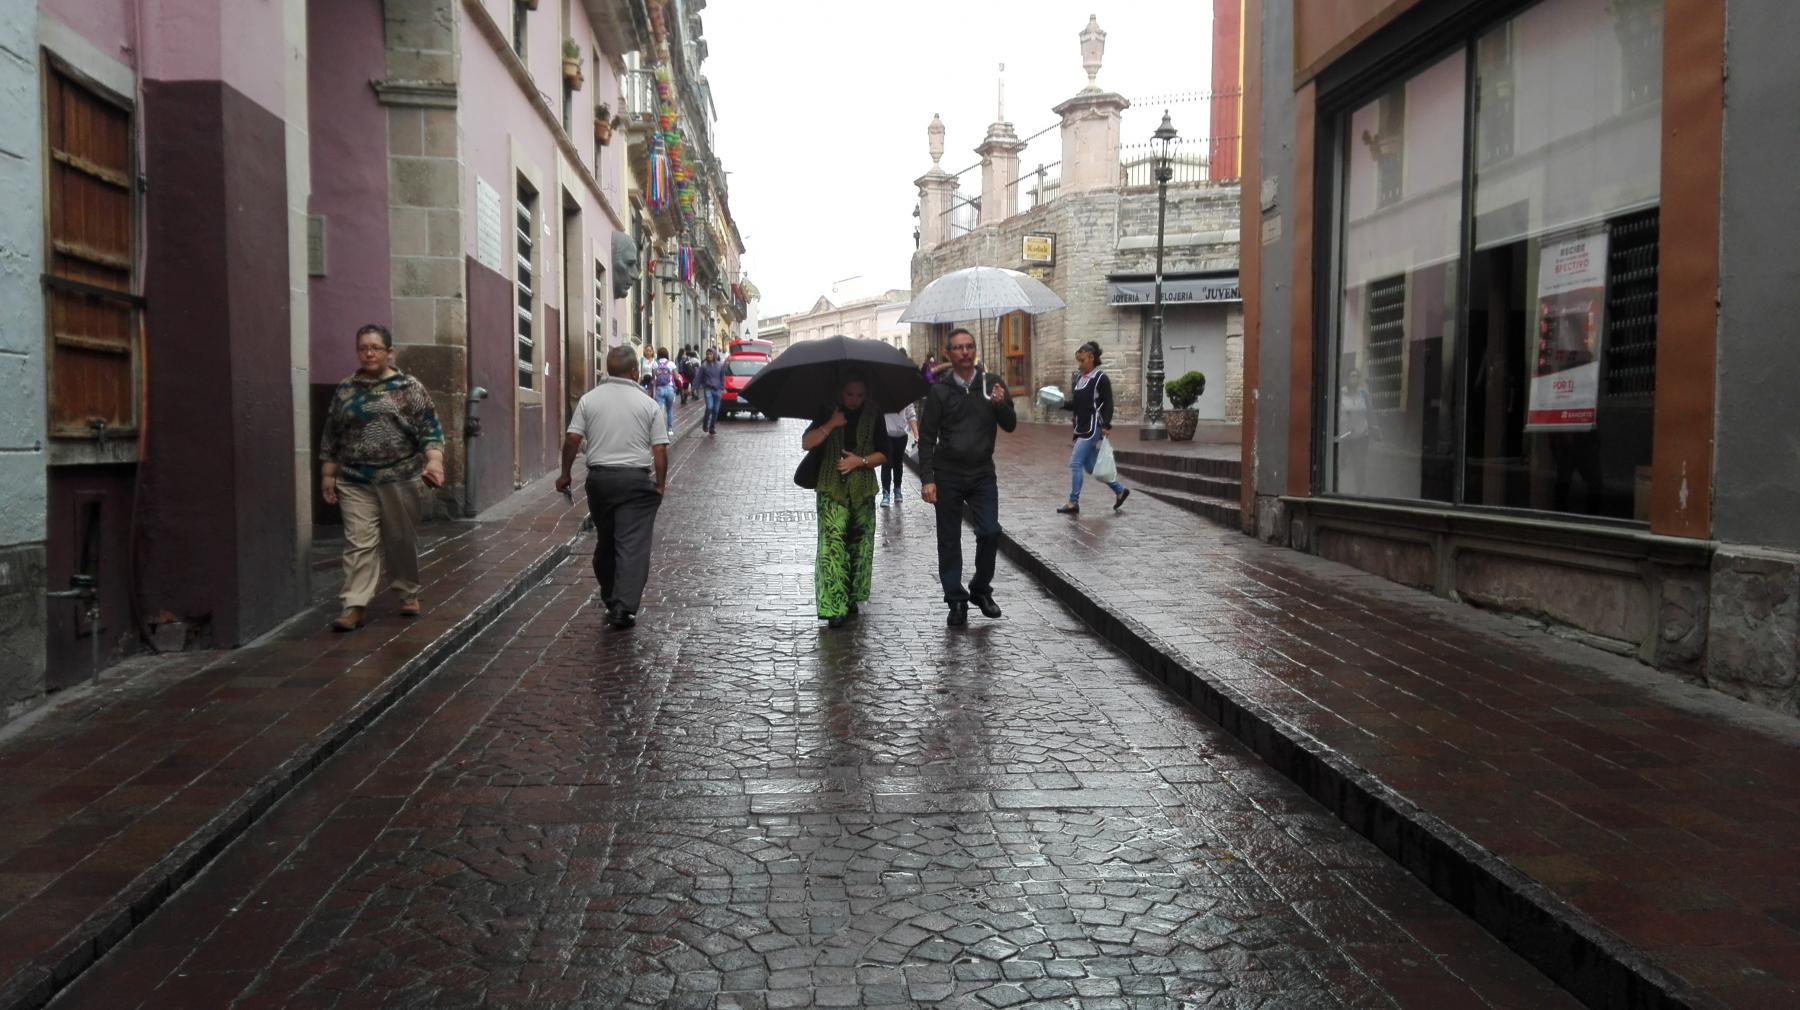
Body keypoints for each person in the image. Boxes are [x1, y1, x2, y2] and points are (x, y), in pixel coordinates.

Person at [318, 324, 446, 632]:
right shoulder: (347, 389)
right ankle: (355, 604)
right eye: (363, 348)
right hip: (354, 479)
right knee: (359, 542)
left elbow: (431, 429)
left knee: (399, 539)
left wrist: (434, 461)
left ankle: (407, 592)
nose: (369, 353)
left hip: (400, 477)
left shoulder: (409, 387)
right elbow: (332, 433)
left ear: (390, 352)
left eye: (376, 347)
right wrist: (328, 474)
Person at [556, 346, 671, 630]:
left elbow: (572, 439)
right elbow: (659, 449)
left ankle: (610, 595)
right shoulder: (648, 404)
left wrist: (565, 474)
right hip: (635, 481)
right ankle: (623, 607)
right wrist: (660, 484)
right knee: (632, 545)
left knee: (607, 541)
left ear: (608, 369)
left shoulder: (588, 400)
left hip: (600, 481)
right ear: (634, 372)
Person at [918, 328, 1015, 626]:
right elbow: (927, 437)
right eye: (958, 348)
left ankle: (980, 589)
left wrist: (1002, 404)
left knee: (990, 531)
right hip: (948, 473)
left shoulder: (992, 384)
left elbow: (1010, 425)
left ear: (975, 350)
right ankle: (956, 600)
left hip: (982, 472)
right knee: (949, 538)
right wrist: (928, 478)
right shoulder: (940, 391)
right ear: (948, 354)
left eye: (970, 346)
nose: (965, 352)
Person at [802, 374, 887, 628]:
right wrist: (831, 424)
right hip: (831, 488)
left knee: (859, 547)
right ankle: (834, 606)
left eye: (860, 395)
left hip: (862, 489)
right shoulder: (828, 411)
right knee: (832, 547)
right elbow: (807, 443)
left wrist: (858, 462)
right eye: (850, 394)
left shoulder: (874, 413)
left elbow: (884, 454)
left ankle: (850, 598)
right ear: (841, 391)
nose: (854, 400)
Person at [1056, 340, 1130, 515]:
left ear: (1092, 358)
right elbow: (1076, 404)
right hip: (1081, 427)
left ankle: (1073, 502)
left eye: (1082, 361)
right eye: (1078, 361)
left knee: (1075, 463)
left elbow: (1109, 403)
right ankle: (1120, 491)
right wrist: (1059, 403)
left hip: (1093, 427)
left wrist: (1106, 424)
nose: (1080, 365)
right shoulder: (1080, 379)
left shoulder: (1100, 378)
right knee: (1091, 467)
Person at [879, 400, 917, 507]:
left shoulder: (906, 396)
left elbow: (911, 415)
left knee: (898, 463)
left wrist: (916, 434)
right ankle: (886, 493)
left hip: (902, 435)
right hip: (887, 434)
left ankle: (897, 489)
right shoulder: (884, 397)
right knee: (886, 463)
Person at [696, 348, 726, 434]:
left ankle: (712, 427)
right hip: (708, 389)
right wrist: (695, 388)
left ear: (714, 355)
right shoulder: (704, 365)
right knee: (709, 407)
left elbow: (722, 377)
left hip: (717, 390)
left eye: (710, 354)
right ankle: (705, 424)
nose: (709, 356)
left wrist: (722, 387)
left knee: (716, 410)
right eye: (707, 354)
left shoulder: (720, 365)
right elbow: (699, 377)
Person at [650, 347, 678, 437]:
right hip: (669, 389)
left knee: (659, 410)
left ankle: (660, 430)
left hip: (659, 389)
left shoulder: (655, 364)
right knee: (669, 410)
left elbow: (653, 377)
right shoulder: (671, 364)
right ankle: (670, 430)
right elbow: (676, 377)